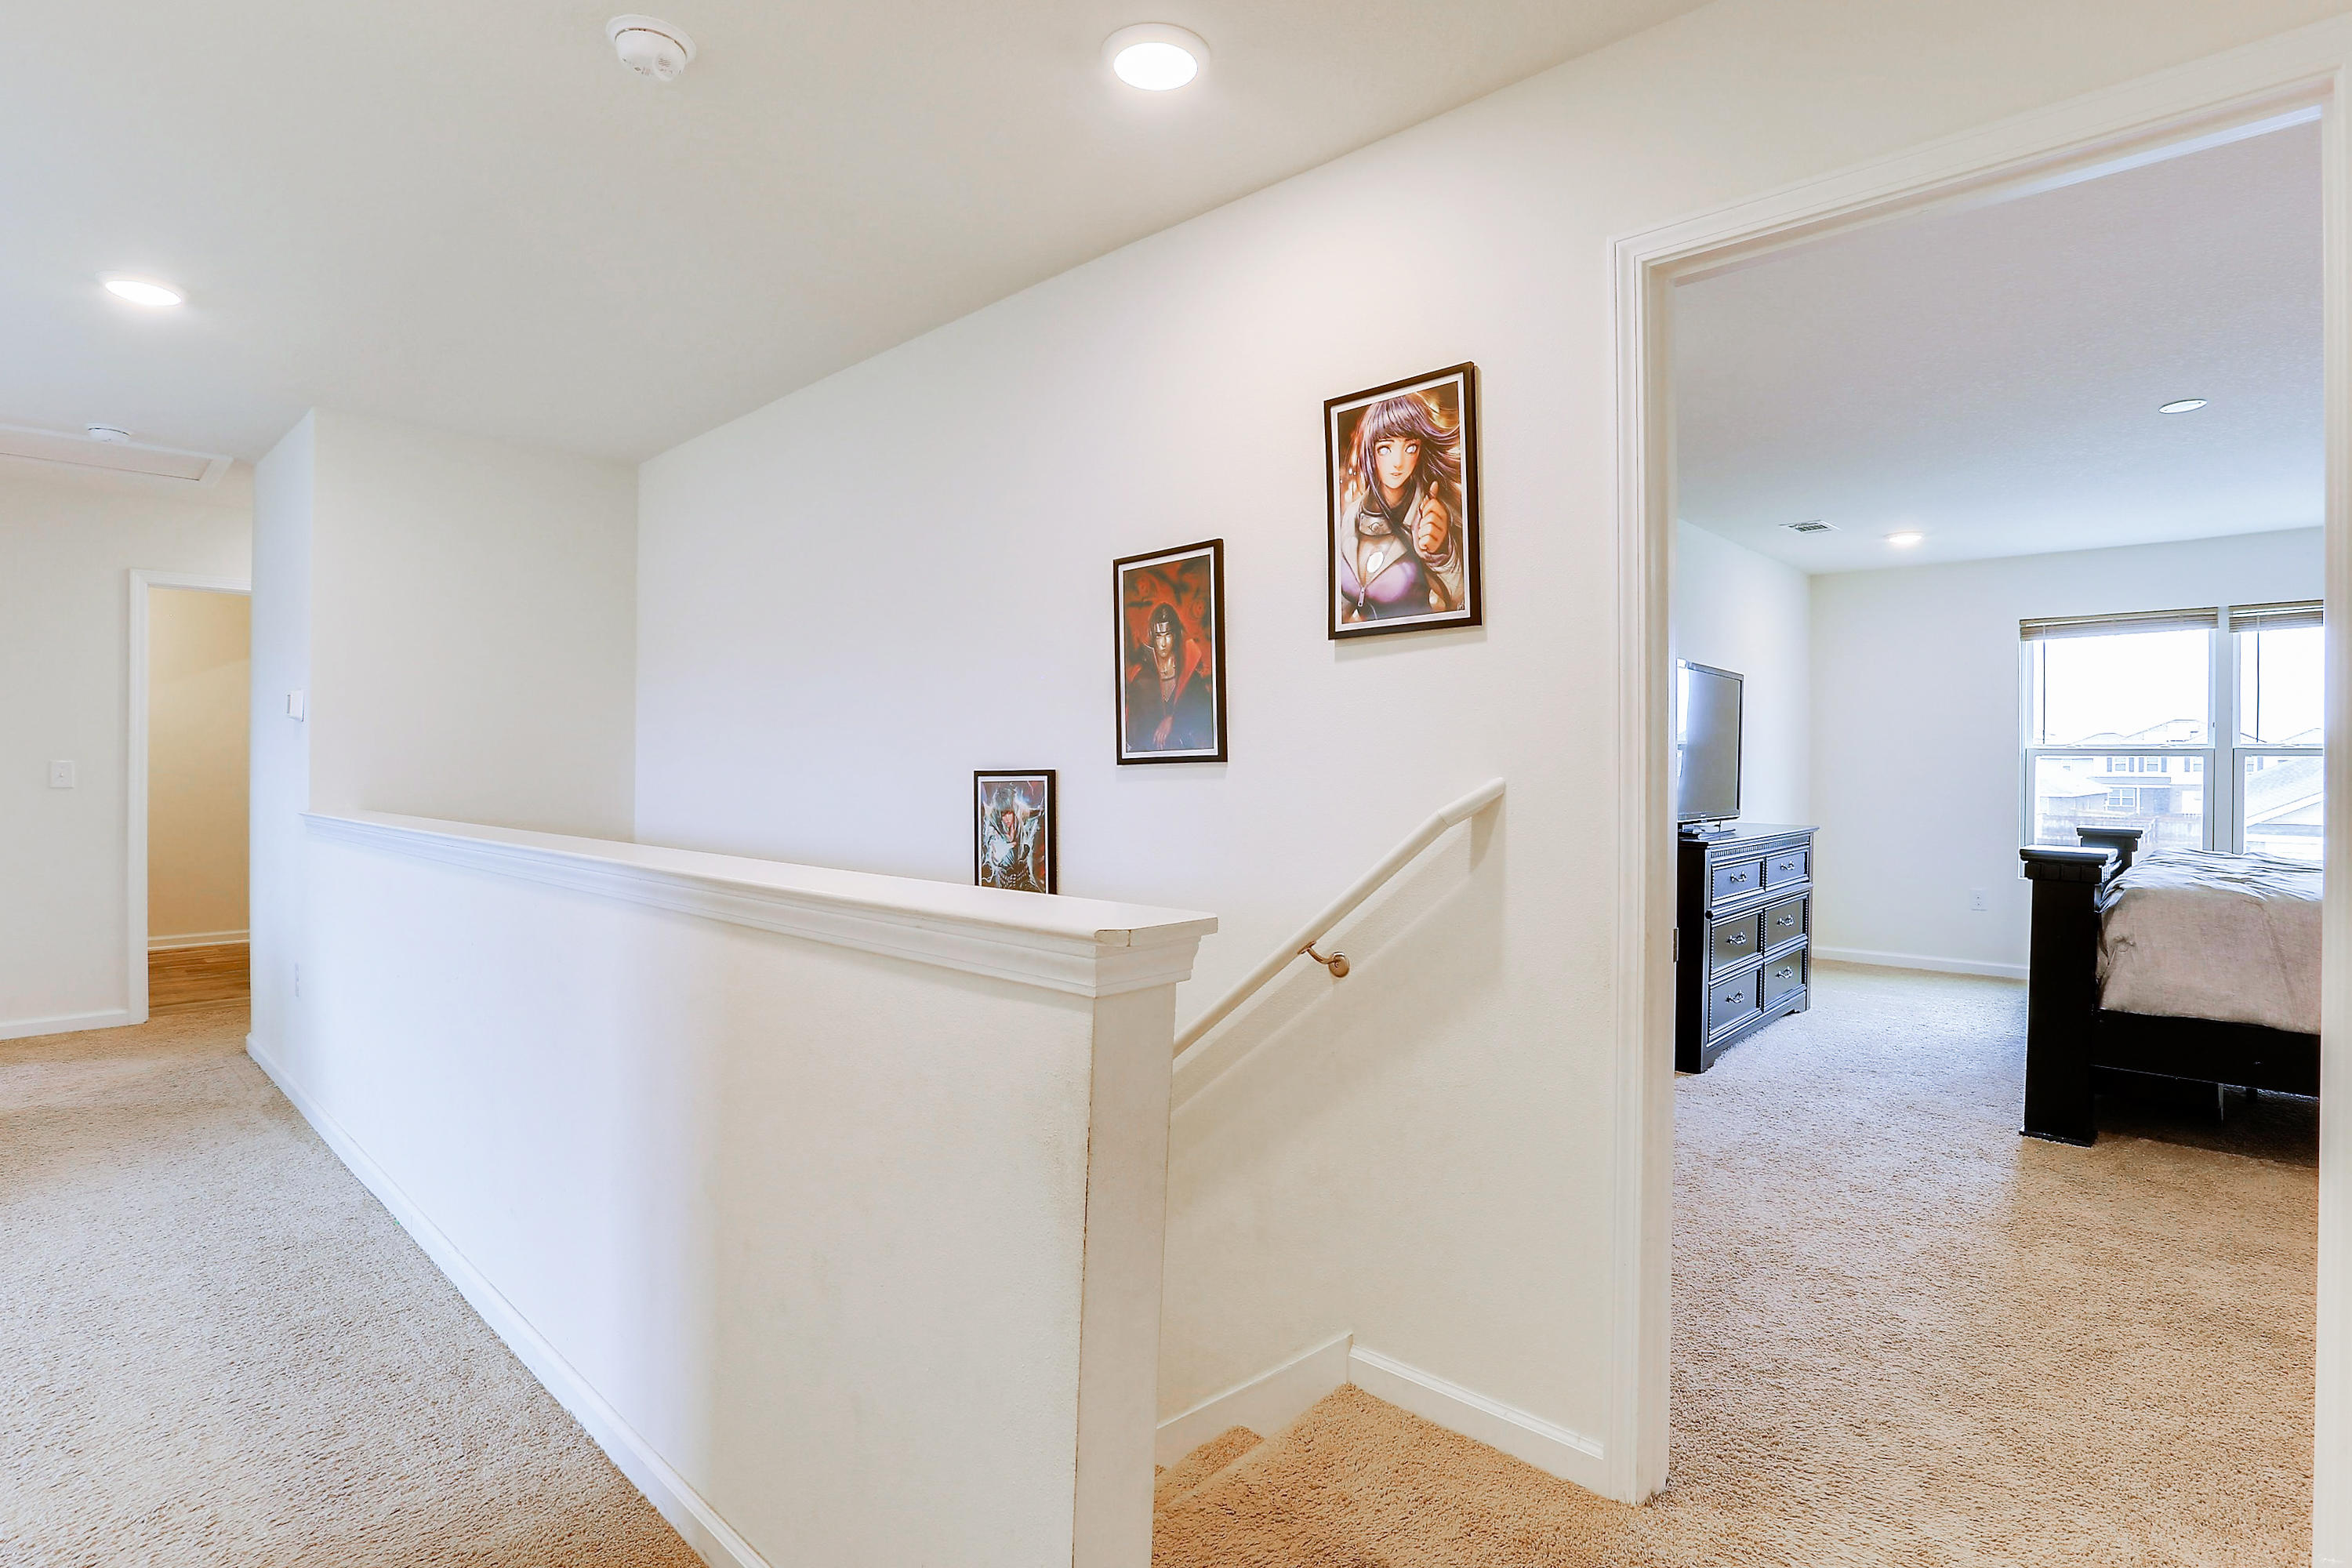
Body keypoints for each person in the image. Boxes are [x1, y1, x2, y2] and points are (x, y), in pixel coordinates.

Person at [1334, 390, 1466, 623]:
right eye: (1385, 448)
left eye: (1410, 448)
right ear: (1370, 451)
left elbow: (1462, 601)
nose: (1398, 463)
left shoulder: (1432, 512)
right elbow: (1340, 607)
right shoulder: (1352, 514)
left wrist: (1442, 553)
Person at [1123, 600, 1215, 753]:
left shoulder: (1192, 677)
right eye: (1159, 636)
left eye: (1168, 635)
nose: (1163, 643)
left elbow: (1207, 719)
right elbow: (1133, 734)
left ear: (1176, 635)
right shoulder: (1142, 680)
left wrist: (1174, 719)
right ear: (1153, 637)